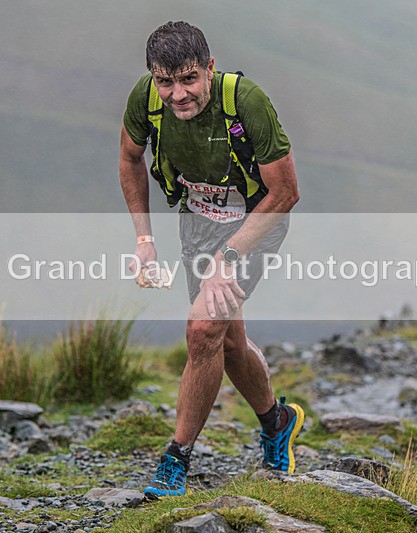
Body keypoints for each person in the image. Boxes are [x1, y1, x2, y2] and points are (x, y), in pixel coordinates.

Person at [118, 21, 303, 499]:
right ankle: (277, 421)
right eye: (165, 81)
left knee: (203, 330)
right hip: (196, 221)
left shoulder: (247, 102)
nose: (177, 94)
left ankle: (175, 458)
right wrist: (144, 241)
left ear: (209, 69)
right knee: (228, 339)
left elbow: (285, 193)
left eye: (189, 79)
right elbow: (129, 158)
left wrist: (227, 255)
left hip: (255, 223)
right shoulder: (145, 99)